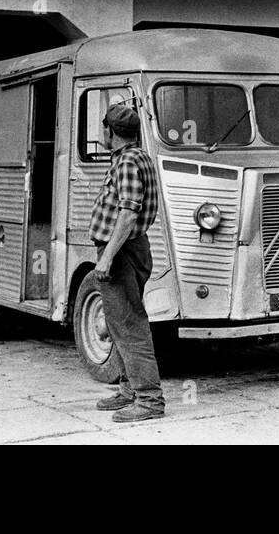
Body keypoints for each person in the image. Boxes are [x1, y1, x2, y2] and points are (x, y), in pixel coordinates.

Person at [89, 103, 165, 423]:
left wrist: (107, 257)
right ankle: (129, 389)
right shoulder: (139, 157)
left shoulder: (127, 162)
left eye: (104, 129)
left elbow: (128, 212)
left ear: (111, 132)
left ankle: (149, 399)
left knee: (130, 324)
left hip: (121, 251)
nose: (102, 134)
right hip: (133, 248)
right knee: (122, 322)